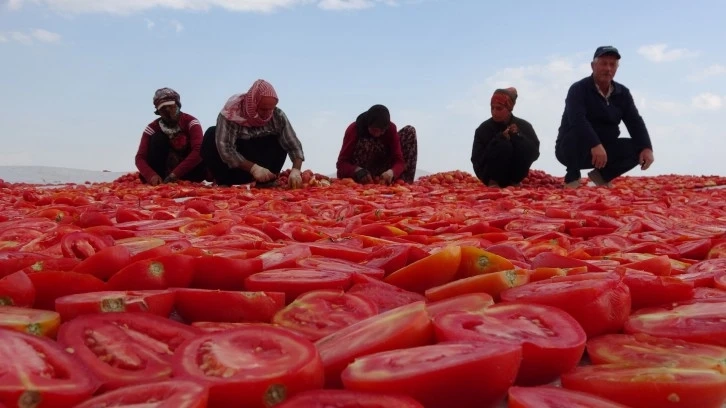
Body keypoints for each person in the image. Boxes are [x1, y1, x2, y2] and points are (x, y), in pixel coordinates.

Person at [556, 46, 655, 188]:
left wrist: (647, 147)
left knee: (637, 147)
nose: (608, 69)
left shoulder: (623, 93)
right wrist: (594, 144)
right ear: (593, 66)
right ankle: (572, 176)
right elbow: (577, 120)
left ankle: (602, 177)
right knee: (574, 134)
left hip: (606, 148)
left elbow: (635, 122)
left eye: (612, 64)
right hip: (573, 149)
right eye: (603, 63)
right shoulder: (578, 89)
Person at [201, 79, 305, 188]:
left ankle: (266, 182)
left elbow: (293, 145)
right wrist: (254, 168)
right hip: (236, 169)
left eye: (271, 109)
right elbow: (226, 149)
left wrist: (296, 170)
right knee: (211, 134)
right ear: (253, 103)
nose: (267, 114)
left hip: (265, 171)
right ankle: (224, 182)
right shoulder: (231, 114)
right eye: (263, 109)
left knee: (280, 138)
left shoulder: (277, 116)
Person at [135, 88, 206, 185]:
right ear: (158, 111)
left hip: (189, 172)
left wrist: (175, 174)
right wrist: (151, 175)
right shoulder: (152, 128)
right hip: (162, 176)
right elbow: (140, 158)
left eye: (171, 106)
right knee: (158, 138)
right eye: (163, 108)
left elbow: (198, 150)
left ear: (177, 105)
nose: (168, 110)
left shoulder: (191, 122)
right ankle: (159, 179)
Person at [471, 88, 540, 188]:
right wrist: (498, 140)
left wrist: (518, 136)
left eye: (499, 108)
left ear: (509, 109)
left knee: (521, 143)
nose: (494, 112)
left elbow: (534, 154)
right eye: (492, 108)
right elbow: (477, 160)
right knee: (503, 144)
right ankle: (493, 182)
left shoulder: (524, 126)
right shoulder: (483, 129)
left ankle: (514, 182)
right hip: (489, 176)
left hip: (515, 177)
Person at [336, 104, 418, 184]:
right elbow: (341, 164)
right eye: (375, 130)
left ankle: (403, 183)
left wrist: (392, 172)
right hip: (361, 174)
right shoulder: (354, 129)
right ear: (368, 124)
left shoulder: (391, 129)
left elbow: (399, 161)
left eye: (382, 131)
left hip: (382, 172)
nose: (378, 134)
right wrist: (357, 170)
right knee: (366, 143)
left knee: (409, 131)